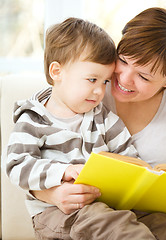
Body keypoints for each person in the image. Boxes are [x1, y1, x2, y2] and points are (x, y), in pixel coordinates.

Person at [11, 7, 166, 240]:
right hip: (79, 214)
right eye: (122, 60)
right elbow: (20, 162)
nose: (122, 79)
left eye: (144, 76)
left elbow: (129, 160)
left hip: (128, 213)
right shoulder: (86, 94)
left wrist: (138, 177)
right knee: (109, 222)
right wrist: (55, 189)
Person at [6, 17, 140, 239]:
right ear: (57, 72)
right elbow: (16, 165)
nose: (100, 91)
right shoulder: (33, 119)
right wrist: (63, 171)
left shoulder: (105, 118)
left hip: (107, 211)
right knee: (106, 220)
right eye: (91, 79)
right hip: (55, 215)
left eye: (105, 82)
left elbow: (130, 159)